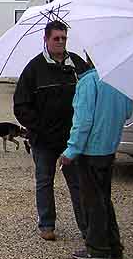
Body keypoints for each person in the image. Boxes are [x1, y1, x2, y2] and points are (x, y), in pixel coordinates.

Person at [14, 20, 88, 241]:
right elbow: (20, 105)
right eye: (56, 38)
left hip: (71, 138)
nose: (60, 42)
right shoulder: (34, 68)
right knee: (45, 181)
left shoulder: (77, 65)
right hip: (44, 140)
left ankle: (87, 228)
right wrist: (38, 128)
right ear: (46, 39)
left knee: (78, 184)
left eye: (64, 38)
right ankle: (47, 224)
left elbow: (90, 93)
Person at [60, 57, 133, 259]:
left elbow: (83, 121)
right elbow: (127, 113)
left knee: (92, 201)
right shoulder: (120, 81)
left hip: (90, 150)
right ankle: (113, 245)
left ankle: (98, 249)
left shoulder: (89, 82)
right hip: (109, 148)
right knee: (104, 198)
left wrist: (70, 151)